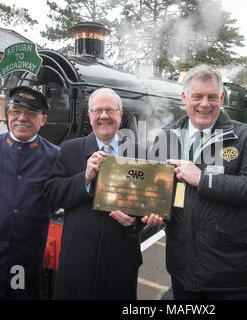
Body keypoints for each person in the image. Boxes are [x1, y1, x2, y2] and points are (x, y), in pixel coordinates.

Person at [149, 65, 247, 300]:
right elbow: (158, 190)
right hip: (182, 268)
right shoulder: (166, 136)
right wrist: (152, 211)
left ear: (222, 98)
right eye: (197, 96)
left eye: (212, 97)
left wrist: (202, 179)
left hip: (228, 273)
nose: (204, 104)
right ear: (184, 97)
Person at [42, 88, 163, 300]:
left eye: (110, 110)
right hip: (77, 259)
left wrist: (135, 222)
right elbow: (52, 196)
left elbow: (148, 206)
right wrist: (85, 177)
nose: (104, 116)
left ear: (120, 114)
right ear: (89, 115)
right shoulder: (69, 150)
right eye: (98, 111)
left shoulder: (140, 153)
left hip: (122, 259)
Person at [0, 86, 59, 299]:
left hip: (26, 259)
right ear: (8, 114)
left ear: (42, 120)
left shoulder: (55, 157)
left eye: (31, 113)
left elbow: (53, 200)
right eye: (16, 111)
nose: (21, 118)